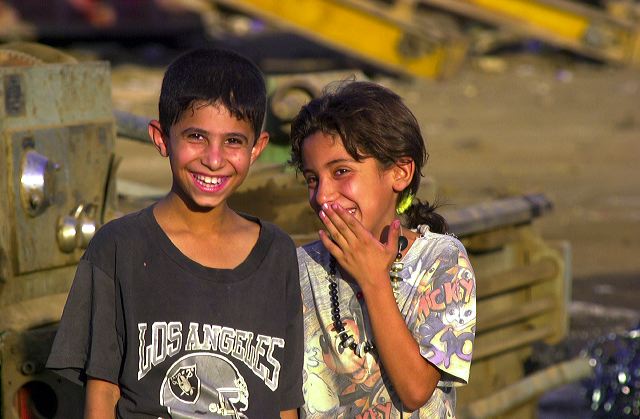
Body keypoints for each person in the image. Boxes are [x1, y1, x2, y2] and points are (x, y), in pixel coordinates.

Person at [47, 47, 304, 418]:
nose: (214, 159)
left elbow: (285, 405)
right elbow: (102, 395)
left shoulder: (277, 252)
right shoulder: (119, 248)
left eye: (233, 141)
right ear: (161, 138)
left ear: (257, 148)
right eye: (196, 136)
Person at [289, 81, 476, 417]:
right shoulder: (299, 268)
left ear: (400, 173)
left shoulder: (441, 261)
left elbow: (415, 390)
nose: (323, 196)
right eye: (312, 179)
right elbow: (285, 398)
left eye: (342, 171)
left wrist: (374, 279)